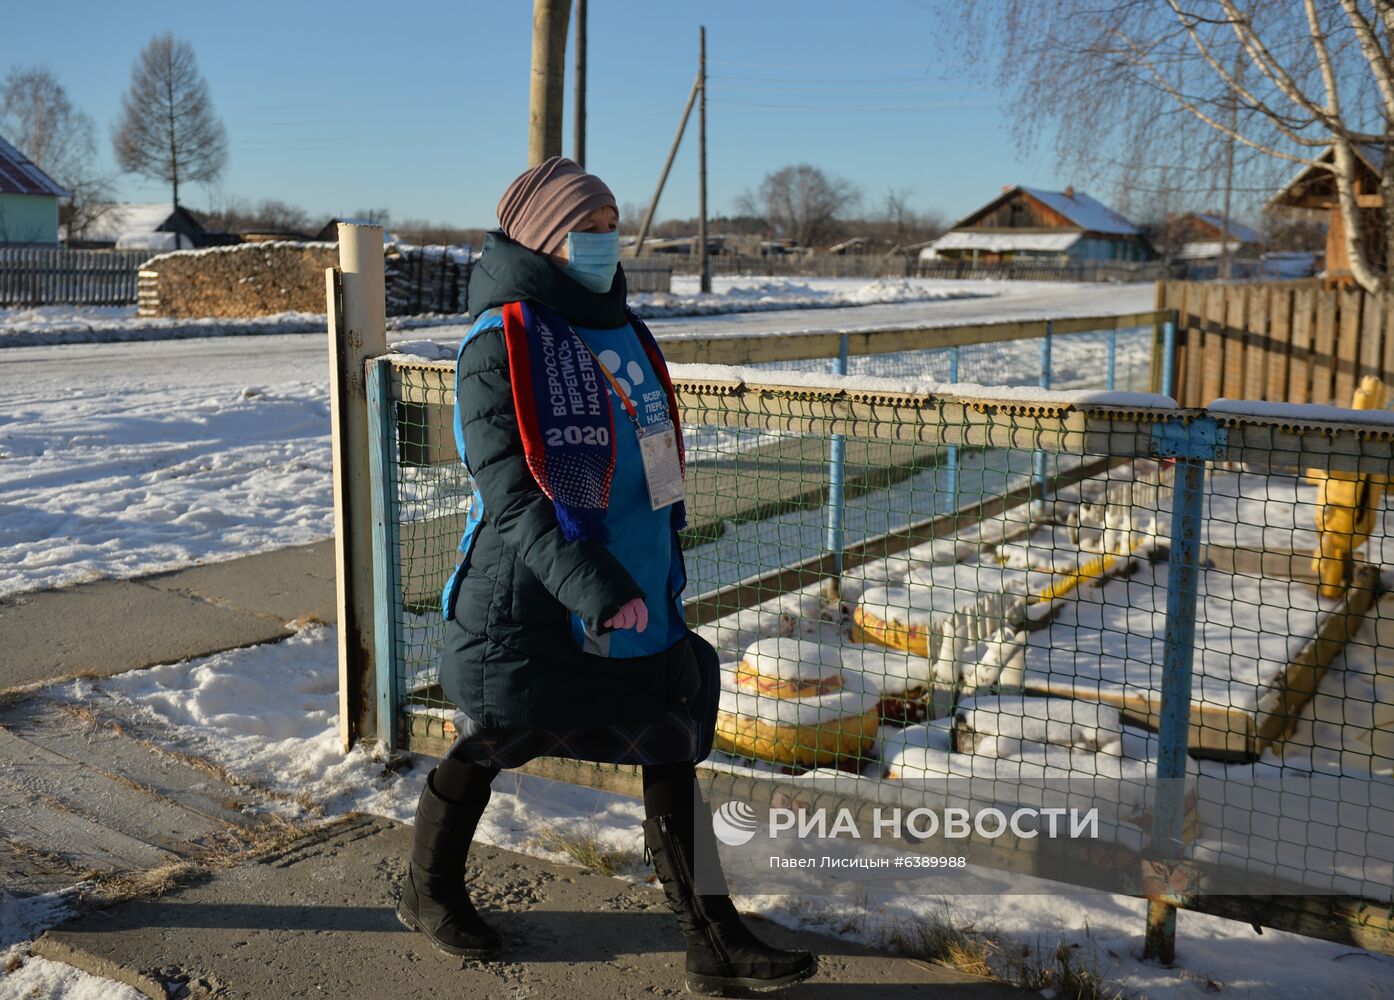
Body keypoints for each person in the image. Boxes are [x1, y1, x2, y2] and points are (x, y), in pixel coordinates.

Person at [396, 156, 817, 996]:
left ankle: (713, 942)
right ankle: (428, 888)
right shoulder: (500, 343)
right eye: (588, 224)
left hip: (637, 594)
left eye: (613, 221)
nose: (606, 239)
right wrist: (596, 588)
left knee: (669, 736)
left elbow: (649, 463)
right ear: (547, 236)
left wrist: (656, 566)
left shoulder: (620, 327)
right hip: (536, 605)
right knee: (491, 741)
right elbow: (512, 497)